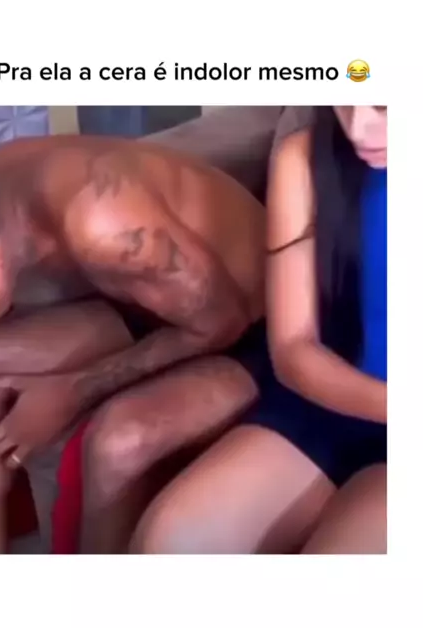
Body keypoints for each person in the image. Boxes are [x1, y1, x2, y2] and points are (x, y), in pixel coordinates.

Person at [0, 134, 268, 553]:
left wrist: (71, 392)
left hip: (251, 319)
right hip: (143, 302)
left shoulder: (104, 227)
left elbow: (223, 322)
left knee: (117, 445)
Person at [130, 106, 387, 555]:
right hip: (334, 395)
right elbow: (293, 347)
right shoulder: (303, 156)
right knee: (168, 542)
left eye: (384, 105)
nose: (359, 126)